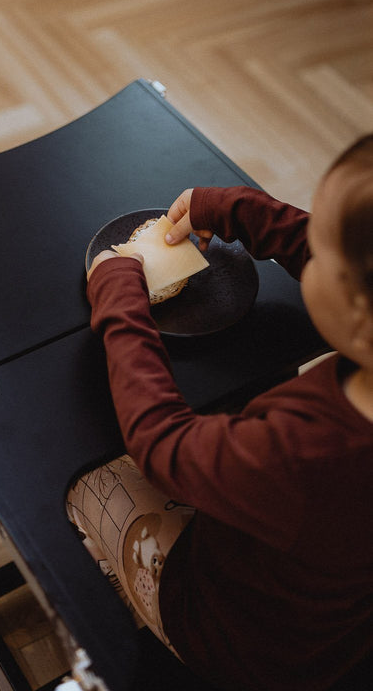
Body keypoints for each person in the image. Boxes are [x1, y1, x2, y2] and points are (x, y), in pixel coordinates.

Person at [66, 135, 373, 691]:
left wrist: (118, 294)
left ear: (360, 312)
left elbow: (162, 445)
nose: (310, 244)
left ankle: (112, 622)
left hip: (237, 639)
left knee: (82, 468)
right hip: (339, 623)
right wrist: (246, 213)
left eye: (321, 247)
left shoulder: (314, 451)